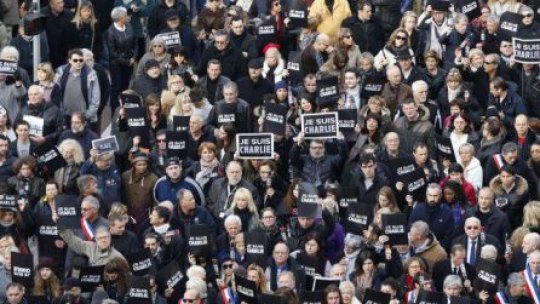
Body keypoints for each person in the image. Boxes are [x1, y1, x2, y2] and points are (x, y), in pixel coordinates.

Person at [55, 49, 100, 130]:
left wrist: (88, 115)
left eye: (81, 60)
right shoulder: (61, 72)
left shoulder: (91, 74)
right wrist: (61, 112)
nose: (78, 62)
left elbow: (96, 98)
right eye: (75, 60)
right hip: (66, 116)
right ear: (70, 61)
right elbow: (56, 93)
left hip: (83, 118)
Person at [107, 6, 138, 116]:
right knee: (116, 89)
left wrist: (134, 56)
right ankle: (115, 113)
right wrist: (126, 61)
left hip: (129, 64)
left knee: (125, 87)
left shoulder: (129, 26)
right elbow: (113, 53)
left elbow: (135, 43)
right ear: (120, 18)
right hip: (117, 66)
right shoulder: (110, 32)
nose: (128, 17)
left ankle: (124, 111)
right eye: (125, 16)